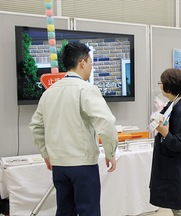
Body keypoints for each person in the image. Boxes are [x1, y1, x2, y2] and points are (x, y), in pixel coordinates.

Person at [29, 42, 118, 216]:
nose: (91, 68)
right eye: (91, 63)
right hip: (83, 164)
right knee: (89, 211)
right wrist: (110, 153)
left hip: (59, 165)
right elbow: (106, 122)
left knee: (65, 211)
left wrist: (46, 154)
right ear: (82, 62)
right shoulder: (86, 89)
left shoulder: (49, 92)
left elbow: (36, 126)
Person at [149, 68, 181, 216]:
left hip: (176, 167)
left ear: (168, 87)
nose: (159, 85)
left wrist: (164, 132)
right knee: (176, 203)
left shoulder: (180, 112)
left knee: (178, 205)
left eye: (161, 83)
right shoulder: (173, 104)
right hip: (171, 165)